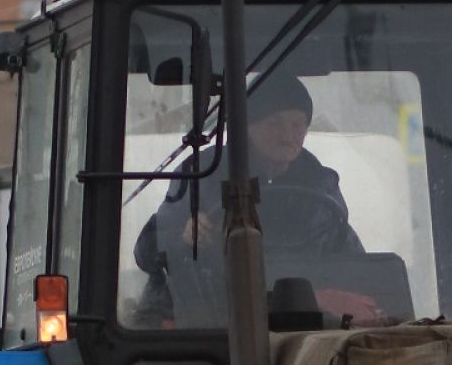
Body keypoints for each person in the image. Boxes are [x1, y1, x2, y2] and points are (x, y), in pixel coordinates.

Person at [135, 70, 364, 287]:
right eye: (275, 123)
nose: (287, 135)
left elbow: (350, 258)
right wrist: (182, 236)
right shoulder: (202, 173)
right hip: (210, 310)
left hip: (302, 313)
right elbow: (145, 251)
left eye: (297, 124)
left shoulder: (320, 183)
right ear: (247, 126)